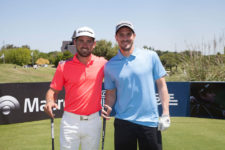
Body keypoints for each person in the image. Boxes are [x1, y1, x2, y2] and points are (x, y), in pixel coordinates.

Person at [101, 21, 170, 150]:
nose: (125, 38)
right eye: (121, 35)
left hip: (149, 122)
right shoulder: (110, 65)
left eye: (128, 34)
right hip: (123, 123)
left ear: (134, 36)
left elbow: (162, 86)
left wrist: (165, 113)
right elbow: (111, 93)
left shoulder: (151, 56)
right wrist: (109, 106)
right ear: (116, 38)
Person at [44, 26, 107, 150]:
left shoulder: (103, 63)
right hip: (70, 122)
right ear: (75, 43)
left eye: (89, 41)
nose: (85, 44)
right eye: (81, 40)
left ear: (94, 44)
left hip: (94, 121)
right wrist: (50, 101)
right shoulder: (64, 66)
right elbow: (52, 91)